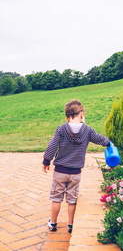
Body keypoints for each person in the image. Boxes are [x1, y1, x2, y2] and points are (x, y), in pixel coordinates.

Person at [42, 99, 111, 233]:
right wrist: (108, 143)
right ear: (82, 115)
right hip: (76, 173)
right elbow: (99, 139)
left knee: (56, 198)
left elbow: (52, 146)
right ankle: (70, 225)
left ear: (67, 117)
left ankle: (53, 223)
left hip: (60, 171)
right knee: (72, 200)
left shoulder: (61, 129)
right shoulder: (87, 130)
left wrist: (46, 161)